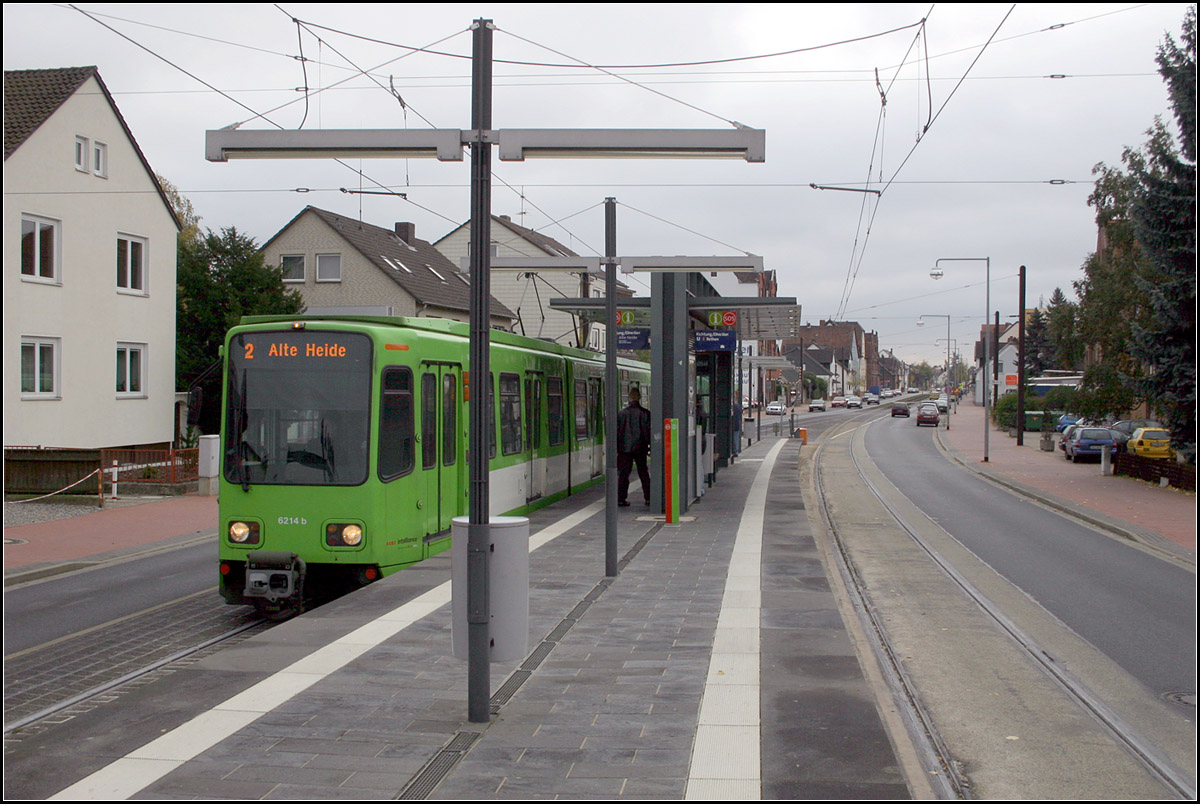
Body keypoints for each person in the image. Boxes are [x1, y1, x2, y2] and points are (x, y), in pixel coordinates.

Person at [616, 386, 651, 506]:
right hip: (640, 448)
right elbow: (648, 432)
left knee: (624, 474)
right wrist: (649, 446)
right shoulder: (646, 414)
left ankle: (621, 498)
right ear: (640, 398)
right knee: (643, 472)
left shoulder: (621, 414)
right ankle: (648, 497)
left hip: (624, 449)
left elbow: (617, 432)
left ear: (629, 398)